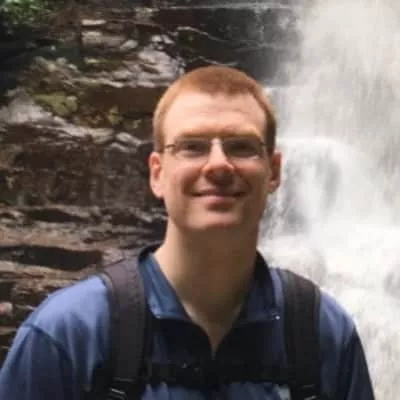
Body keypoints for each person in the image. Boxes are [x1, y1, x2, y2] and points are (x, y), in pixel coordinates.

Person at [0, 66, 374, 399]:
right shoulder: (71, 334)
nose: (218, 165)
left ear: (273, 171)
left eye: (241, 147)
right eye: (192, 147)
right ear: (157, 173)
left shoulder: (322, 334)